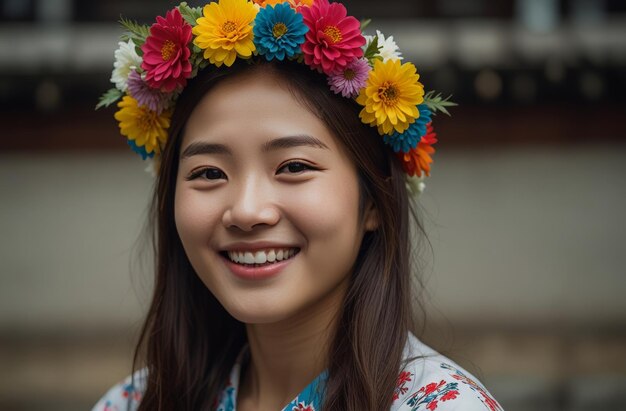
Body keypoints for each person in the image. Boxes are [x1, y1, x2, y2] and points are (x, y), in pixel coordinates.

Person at [93, 0, 502, 410]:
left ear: (374, 200)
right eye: (210, 173)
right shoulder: (135, 403)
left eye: (293, 166)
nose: (248, 211)